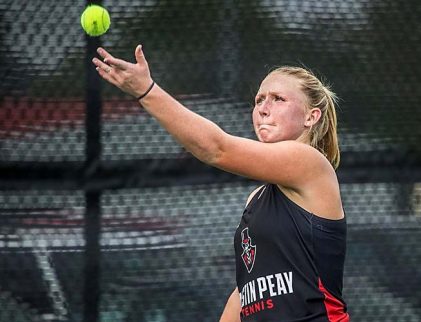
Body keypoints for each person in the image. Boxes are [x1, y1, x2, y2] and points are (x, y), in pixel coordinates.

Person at [92, 45, 349, 322]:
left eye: (278, 99)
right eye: (258, 99)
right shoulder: (257, 199)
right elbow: (247, 292)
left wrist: (146, 91)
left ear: (311, 116)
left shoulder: (310, 164)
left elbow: (216, 149)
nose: (263, 108)